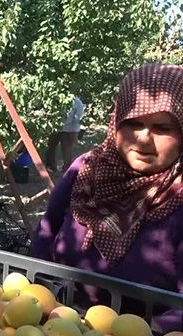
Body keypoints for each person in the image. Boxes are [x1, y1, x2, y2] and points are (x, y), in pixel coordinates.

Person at [32, 63, 183, 333]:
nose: (143, 139)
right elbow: (47, 230)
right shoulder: (87, 169)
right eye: (133, 123)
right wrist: (45, 303)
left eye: (162, 128)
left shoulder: (178, 196)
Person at [45, 90, 86, 172]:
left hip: (69, 128)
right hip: (56, 126)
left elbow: (78, 118)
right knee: (51, 145)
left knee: (67, 148)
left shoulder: (77, 103)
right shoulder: (56, 99)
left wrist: (74, 131)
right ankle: (51, 166)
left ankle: (67, 168)